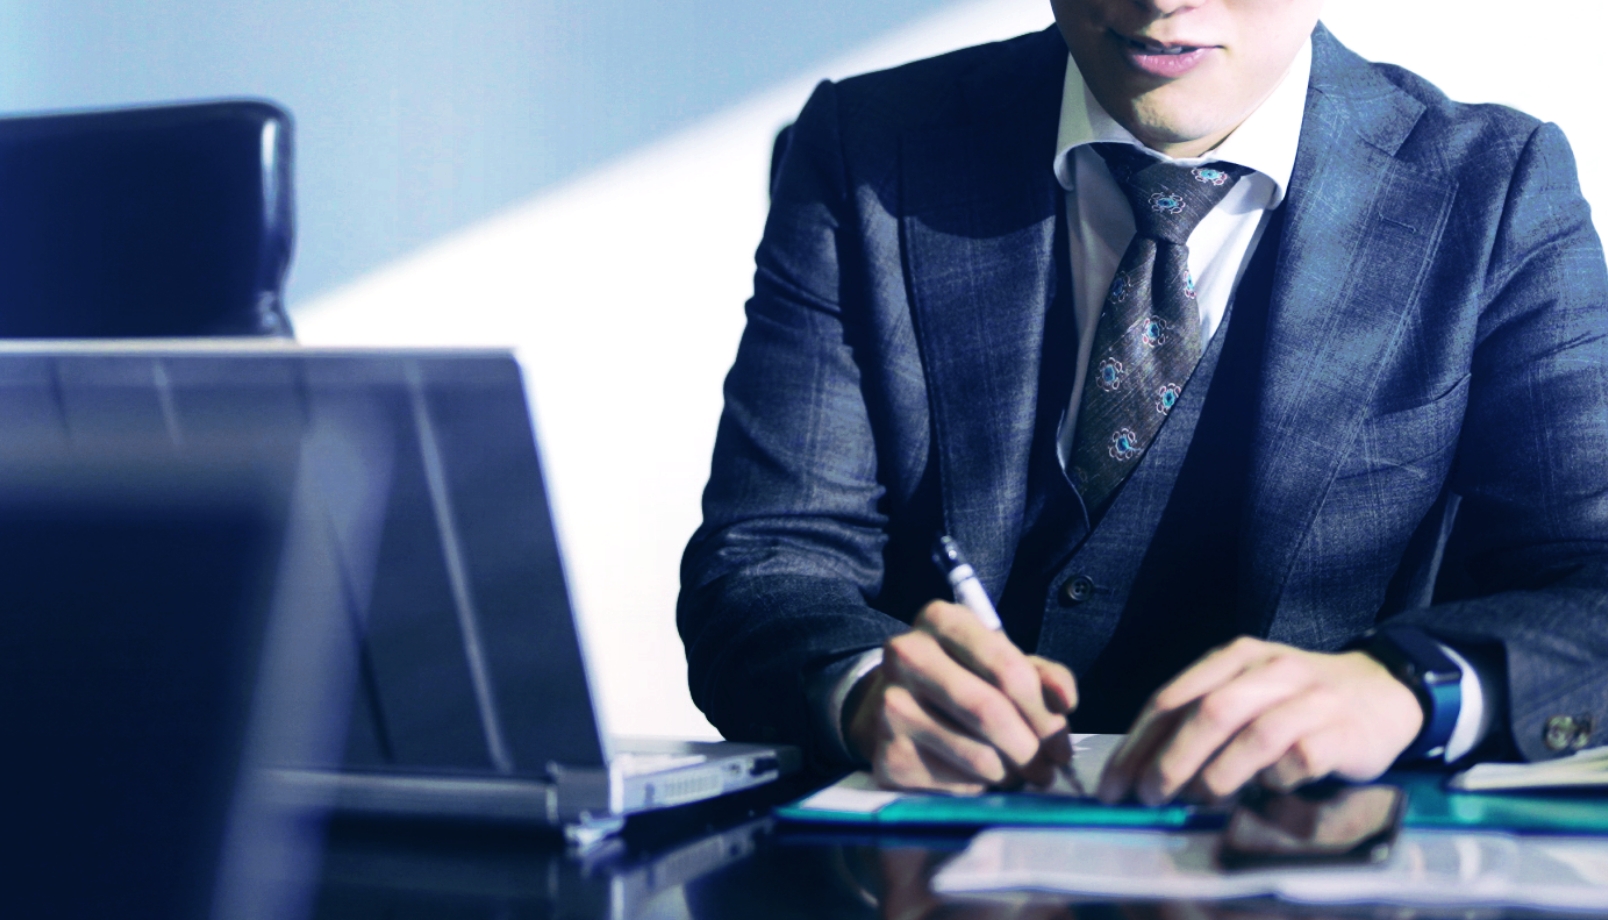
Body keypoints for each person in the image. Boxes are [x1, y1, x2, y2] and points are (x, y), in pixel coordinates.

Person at [678, 0, 1608, 804]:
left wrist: (1406, 689)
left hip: (1318, 866)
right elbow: (765, 559)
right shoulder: (867, 147)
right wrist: (869, 687)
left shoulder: (1496, 185)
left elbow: (1594, 578)